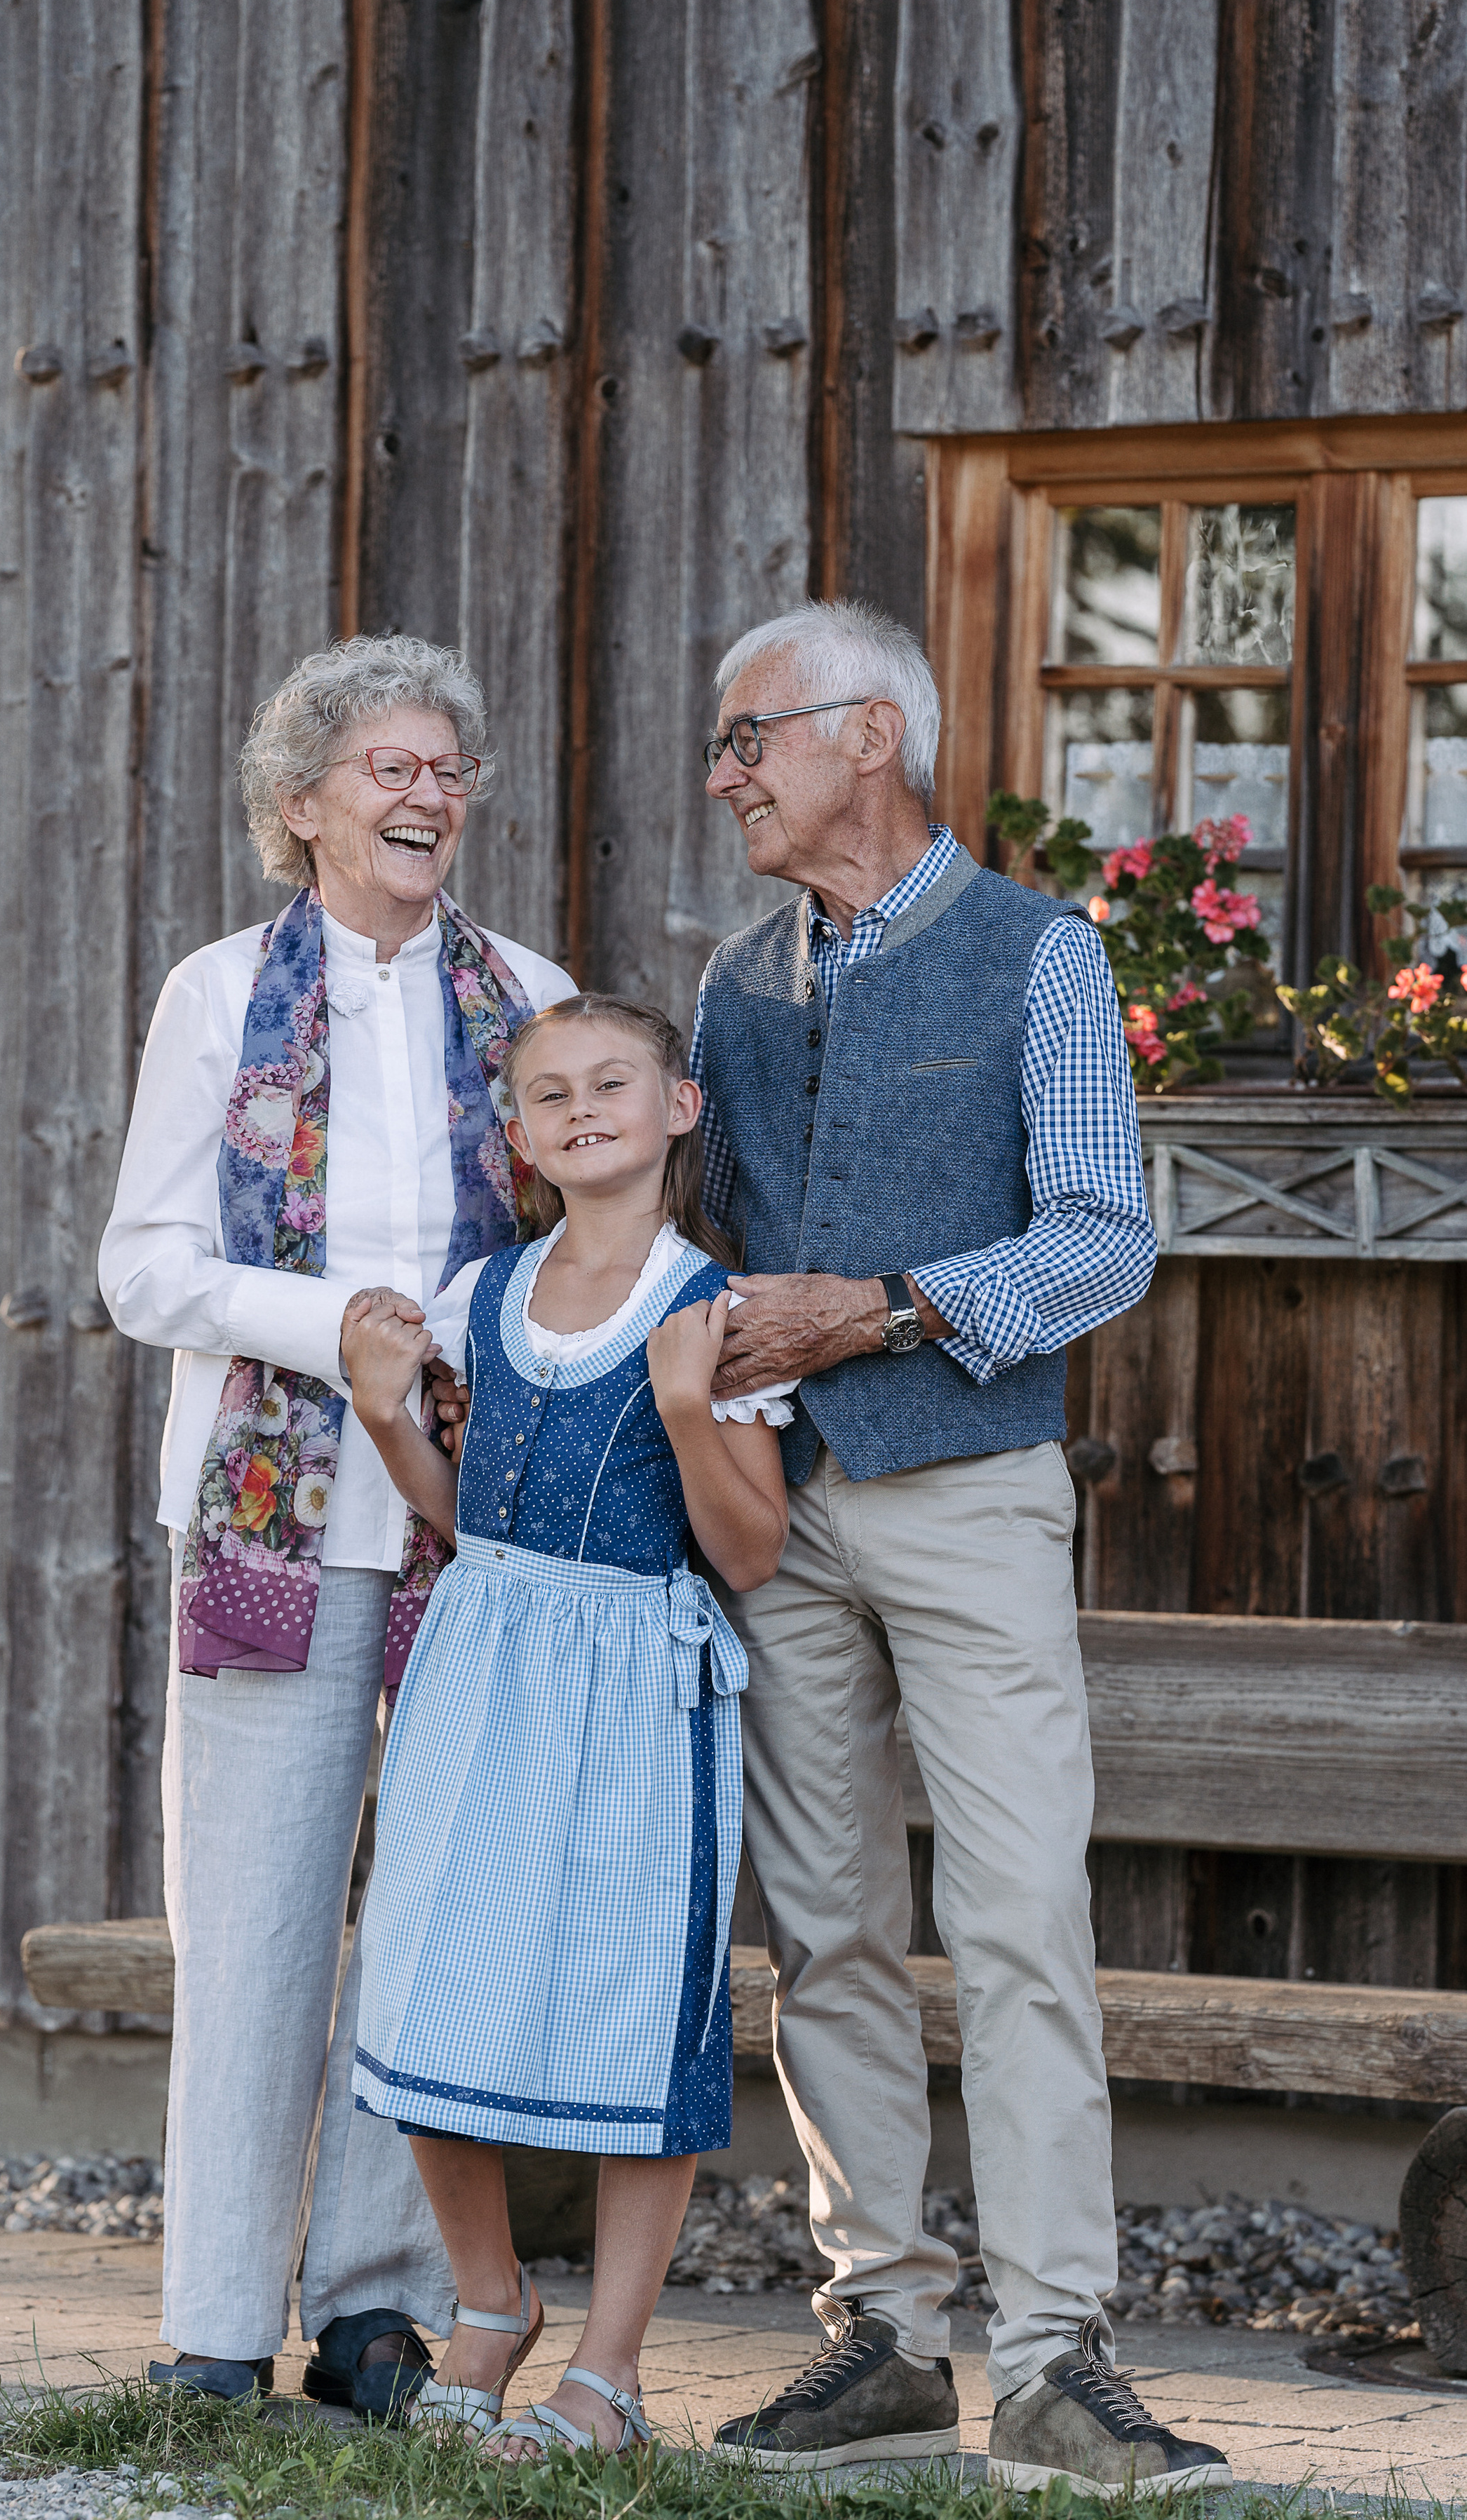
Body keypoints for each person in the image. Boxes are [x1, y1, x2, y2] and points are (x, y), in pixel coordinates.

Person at [689, 600, 1230, 2496]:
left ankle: (1064, 2354)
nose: (725, 772)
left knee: (1016, 1920)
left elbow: (1104, 1239)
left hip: (973, 1488)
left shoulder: (1038, 954)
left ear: (871, 736)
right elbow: (715, 1249)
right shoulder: (735, 985)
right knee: (820, 1928)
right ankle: (885, 2337)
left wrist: (886, 1310)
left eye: (751, 736)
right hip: (786, 1510)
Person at [98, 634, 574, 2413]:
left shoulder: (529, 991)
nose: (428, 792)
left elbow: (567, 1244)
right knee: (254, 1918)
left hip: (473, 1519)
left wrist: (461, 1343)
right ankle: (217, 2320)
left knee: (426, 1917)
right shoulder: (218, 995)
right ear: (298, 807)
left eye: (447, 765)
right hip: (269, 1513)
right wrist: (342, 1333)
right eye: (389, 765)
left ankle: (374, 2312)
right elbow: (142, 1268)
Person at [337, 995, 792, 2460]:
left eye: (613, 1082)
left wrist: (679, 1412)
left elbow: (751, 1554)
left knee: (628, 1997)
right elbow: (468, 1516)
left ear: (677, 1109)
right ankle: (488, 2298)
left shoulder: (709, 1308)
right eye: (549, 1093)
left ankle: (608, 2368)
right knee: (420, 1973)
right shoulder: (483, 1293)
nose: (581, 1107)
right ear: (520, 1136)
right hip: (484, 1658)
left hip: (634, 1685)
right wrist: (382, 1414)